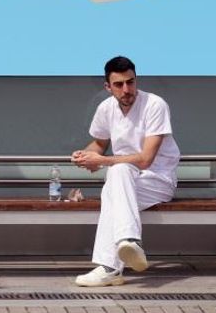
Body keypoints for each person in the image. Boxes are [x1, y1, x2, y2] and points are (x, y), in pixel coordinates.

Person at [71, 56, 180, 287]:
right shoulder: (105, 108)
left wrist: (103, 160)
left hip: (157, 180)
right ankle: (127, 243)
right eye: (119, 85)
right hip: (124, 179)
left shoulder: (155, 105)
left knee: (115, 181)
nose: (126, 89)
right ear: (108, 87)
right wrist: (85, 155)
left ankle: (111, 265)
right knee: (117, 179)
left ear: (136, 80)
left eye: (130, 82)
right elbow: (99, 145)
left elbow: (145, 159)